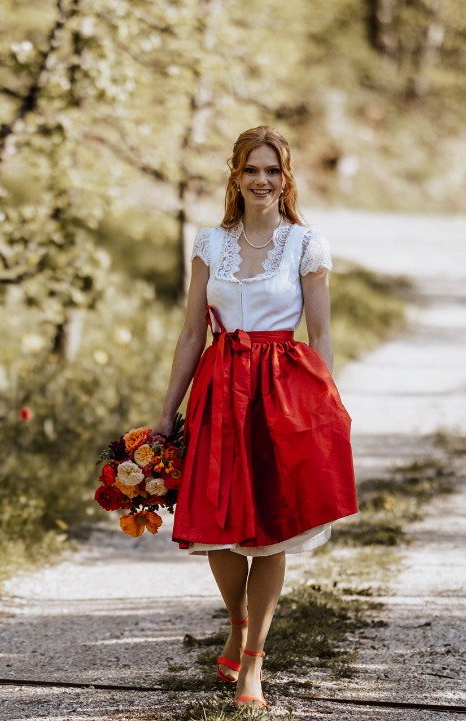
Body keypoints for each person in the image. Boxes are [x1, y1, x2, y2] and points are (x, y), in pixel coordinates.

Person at [151, 125, 357, 708]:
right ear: (235, 176)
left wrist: (326, 401)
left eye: (272, 170)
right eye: (251, 169)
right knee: (213, 525)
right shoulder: (209, 244)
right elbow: (193, 330)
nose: (261, 180)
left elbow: (320, 333)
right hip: (218, 389)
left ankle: (252, 662)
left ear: (285, 178)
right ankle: (237, 620)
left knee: (272, 530)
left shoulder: (305, 244)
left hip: (282, 393)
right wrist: (167, 411)